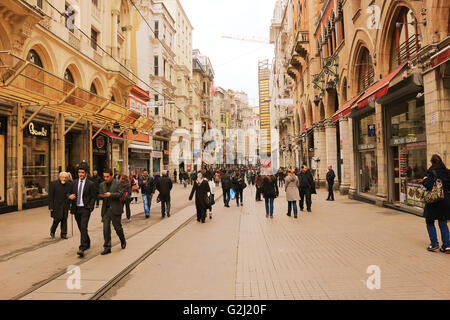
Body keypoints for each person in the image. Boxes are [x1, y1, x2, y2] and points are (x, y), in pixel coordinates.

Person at [421, 154, 450, 253]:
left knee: (429, 221)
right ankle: (446, 246)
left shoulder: (431, 172)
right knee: (443, 223)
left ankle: (434, 244)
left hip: (434, 201)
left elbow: (428, 185)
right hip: (445, 200)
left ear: (432, 162)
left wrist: (424, 180)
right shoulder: (447, 172)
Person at [69, 167, 96, 258]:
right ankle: (87, 241)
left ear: (86, 173)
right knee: (81, 228)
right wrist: (69, 196)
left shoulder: (90, 184)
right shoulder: (74, 183)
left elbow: (93, 196)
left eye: (82, 172)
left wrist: (90, 207)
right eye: (79, 172)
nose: (80, 174)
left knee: (84, 227)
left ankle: (82, 248)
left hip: (85, 209)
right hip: (76, 208)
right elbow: (68, 193)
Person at [98, 170, 126, 255]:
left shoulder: (118, 183)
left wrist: (110, 194)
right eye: (104, 177)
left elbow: (120, 194)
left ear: (112, 176)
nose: (106, 178)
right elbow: (99, 194)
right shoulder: (102, 184)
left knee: (117, 227)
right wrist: (101, 196)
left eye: (107, 176)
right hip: (106, 210)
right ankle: (107, 247)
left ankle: (123, 240)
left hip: (115, 209)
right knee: (106, 229)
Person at [48, 172, 71, 239]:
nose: (64, 179)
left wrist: (70, 204)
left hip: (65, 205)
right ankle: (52, 231)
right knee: (57, 219)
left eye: (65, 178)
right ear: (60, 177)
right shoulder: (53, 184)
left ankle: (63, 234)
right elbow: (50, 196)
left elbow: (70, 194)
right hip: (56, 205)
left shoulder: (69, 184)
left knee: (64, 219)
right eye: (63, 177)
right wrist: (51, 207)